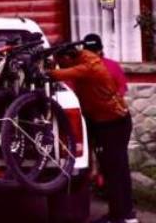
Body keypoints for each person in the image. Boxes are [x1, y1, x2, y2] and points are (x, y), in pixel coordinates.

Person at [51, 45, 135, 223]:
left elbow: (61, 74)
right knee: (112, 168)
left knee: (116, 169)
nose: (61, 66)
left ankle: (124, 216)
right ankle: (120, 214)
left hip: (114, 122)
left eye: (61, 62)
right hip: (100, 121)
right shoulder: (80, 60)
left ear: (68, 56)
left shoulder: (90, 64)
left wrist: (48, 71)